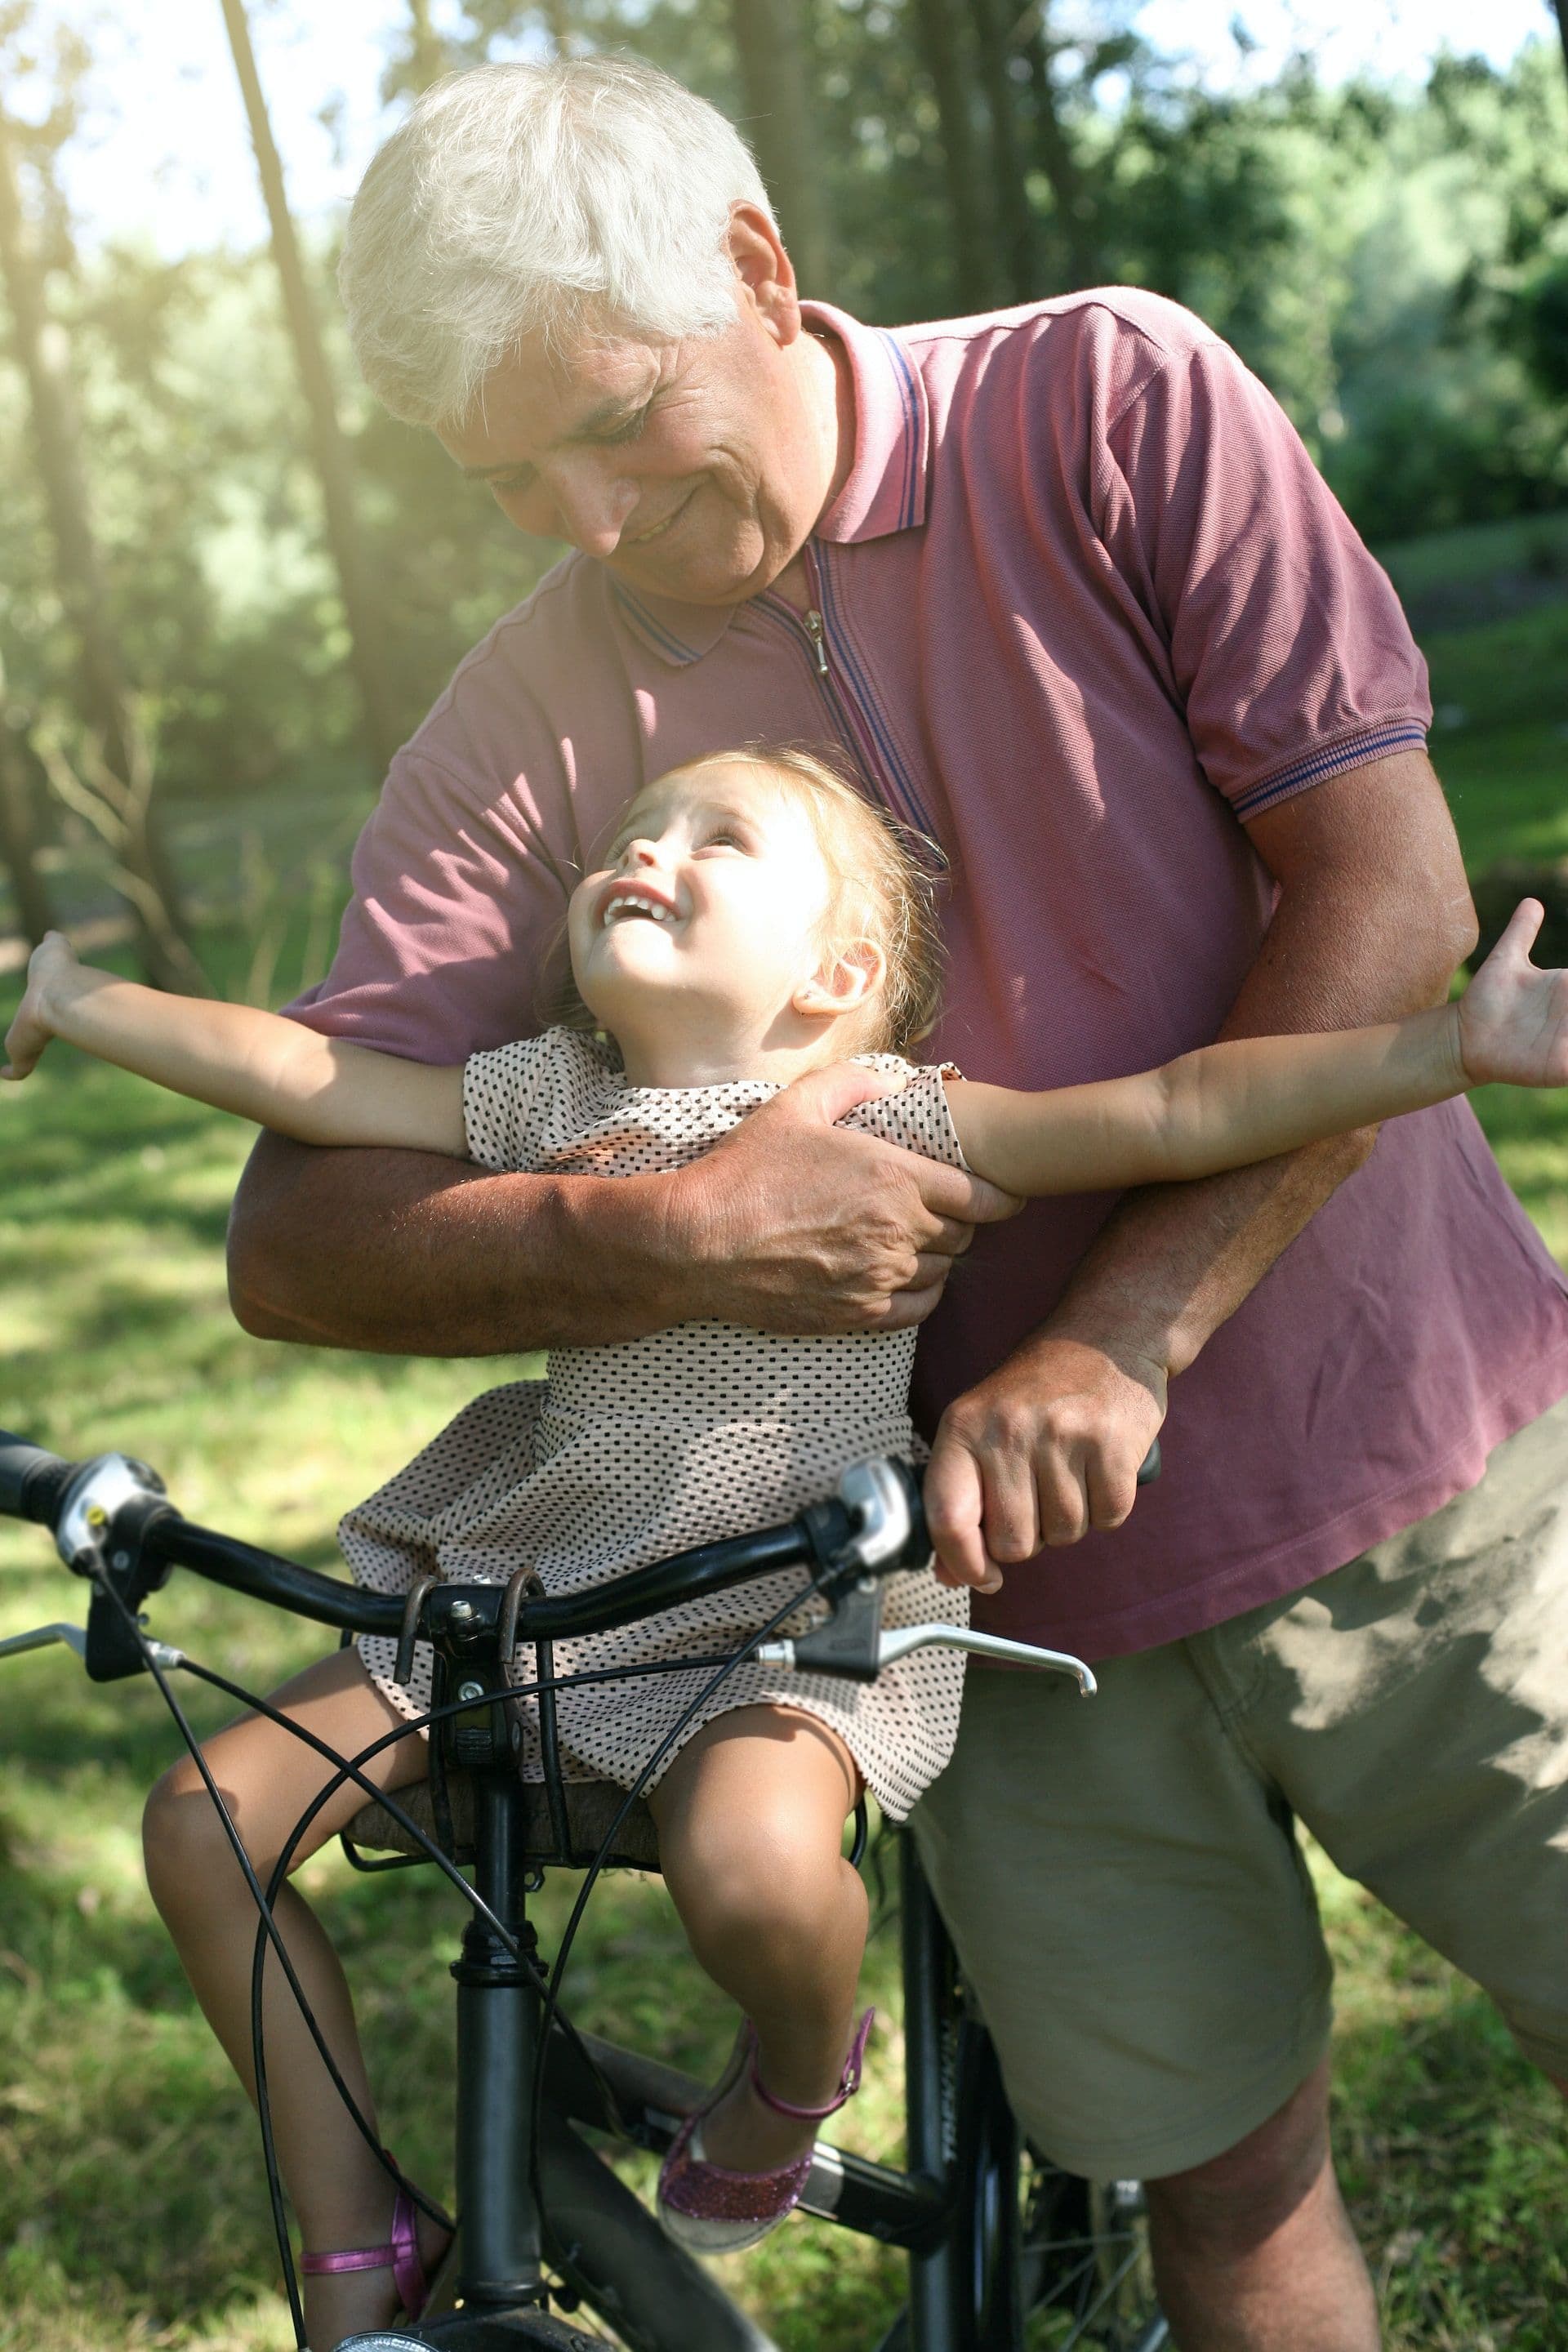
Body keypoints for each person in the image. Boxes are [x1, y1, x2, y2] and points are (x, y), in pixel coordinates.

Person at [219, 57, 1568, 2351]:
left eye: (616, 420)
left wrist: (1114, 1336)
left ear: (757, 268)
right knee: (1227, 2190)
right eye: (504, 475)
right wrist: (670, 1232)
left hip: (1425, 1464)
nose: (582, 512)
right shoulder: (514, 724)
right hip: (978, 1626)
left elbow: (1387, 889)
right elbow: (298, 1233)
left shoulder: (1105, 398)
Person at [7, 739, 1567, 2335]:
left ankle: (802, 2068)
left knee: (751, 1863)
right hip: (543, 1576)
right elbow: (314, 1082)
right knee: (207, 1822)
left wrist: (1451, 1043)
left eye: (718, 837)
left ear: (843, 970)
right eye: (632, 828)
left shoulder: (896, 1117)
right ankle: (358, 2248)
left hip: (783, 1601)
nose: (647, 851)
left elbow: (1176, 1107)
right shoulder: (554, 1096)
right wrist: (75, 994)